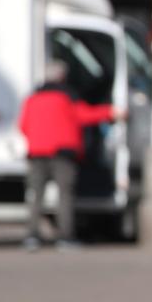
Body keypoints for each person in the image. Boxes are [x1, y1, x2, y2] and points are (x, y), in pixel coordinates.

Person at [17, 59, 122, 250]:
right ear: (63, 76)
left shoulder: (32, 98)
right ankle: (65, 237)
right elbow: (85, 116)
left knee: (35, 196)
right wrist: (110, 112)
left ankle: (32, 236)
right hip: (63, 153)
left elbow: (23, 125)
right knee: (65, 196)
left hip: (37, 152)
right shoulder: (67, 96)